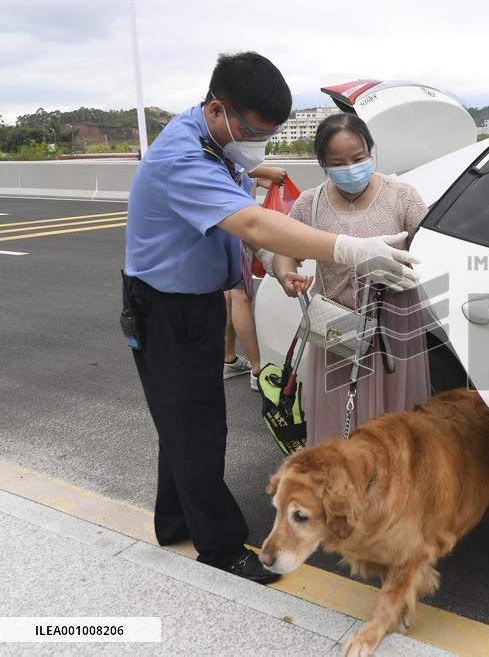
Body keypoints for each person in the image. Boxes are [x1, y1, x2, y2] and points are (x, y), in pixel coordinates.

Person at [122, 52, 418, 584]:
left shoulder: (215, 143)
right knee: (197, 427)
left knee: (181, 421)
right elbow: (255, 224)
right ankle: (220, 547)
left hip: (192, 301)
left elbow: (241, 209)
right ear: (218, 109)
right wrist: (350, 248)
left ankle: (175, 521)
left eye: (268, 135)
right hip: (167, 306)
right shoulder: (182, 158)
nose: (257, 144)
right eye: (253, 132)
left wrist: (267, 235)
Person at [272, 114, 431, 447]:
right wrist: (287, 275)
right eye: (338, 163)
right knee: (337, 414)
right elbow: (285, 250)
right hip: (337, 328)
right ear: (323, 164)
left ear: (370, 152)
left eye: (358, 158)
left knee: (395, 419)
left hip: (393, 325)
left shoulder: (402, 196)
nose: (351, 168)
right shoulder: (310, 203)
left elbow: (432, 247)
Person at [223, 165, 288, 391]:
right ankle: (258, 369)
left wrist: (257, 179)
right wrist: (264, 171)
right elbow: (228, 166)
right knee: (241, 296)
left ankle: (228, 358)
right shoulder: (225, 157)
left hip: (223, 238)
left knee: (230, 295)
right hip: (235, 234)